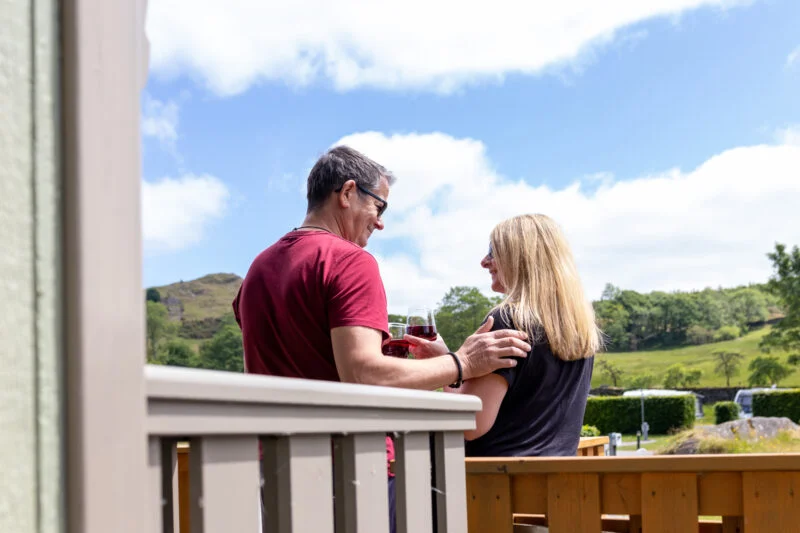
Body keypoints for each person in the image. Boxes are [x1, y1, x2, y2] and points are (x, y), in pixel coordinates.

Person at [232, 146, 531, 531]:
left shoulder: (257, 269)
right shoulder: (350, 261)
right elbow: (362, 373)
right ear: (347, 193)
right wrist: (463, 362)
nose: (381, 223)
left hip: (273, 464)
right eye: (380, 207)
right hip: (350, 466)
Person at [407, 214, 600, 457]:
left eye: (493, 251)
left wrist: (449, 370)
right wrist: (449, 359)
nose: (484, 262)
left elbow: (471, 422)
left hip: (498, 484)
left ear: (520, 257)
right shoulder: (579, 329)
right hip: (556, 483)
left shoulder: (507, 320)